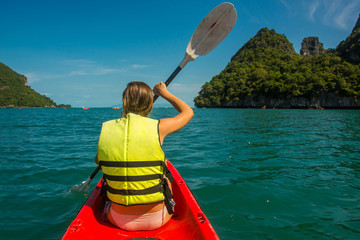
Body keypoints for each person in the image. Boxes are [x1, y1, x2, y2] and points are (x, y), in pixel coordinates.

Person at [95, 81, 193, 231]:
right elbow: (188, 112)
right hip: (158, 219)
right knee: (165, 173)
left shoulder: (107, 128)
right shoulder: (159, 127)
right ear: (150, 104)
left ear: (124, 101)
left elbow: (98, 161)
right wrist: (164, 93)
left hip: (118, 219)